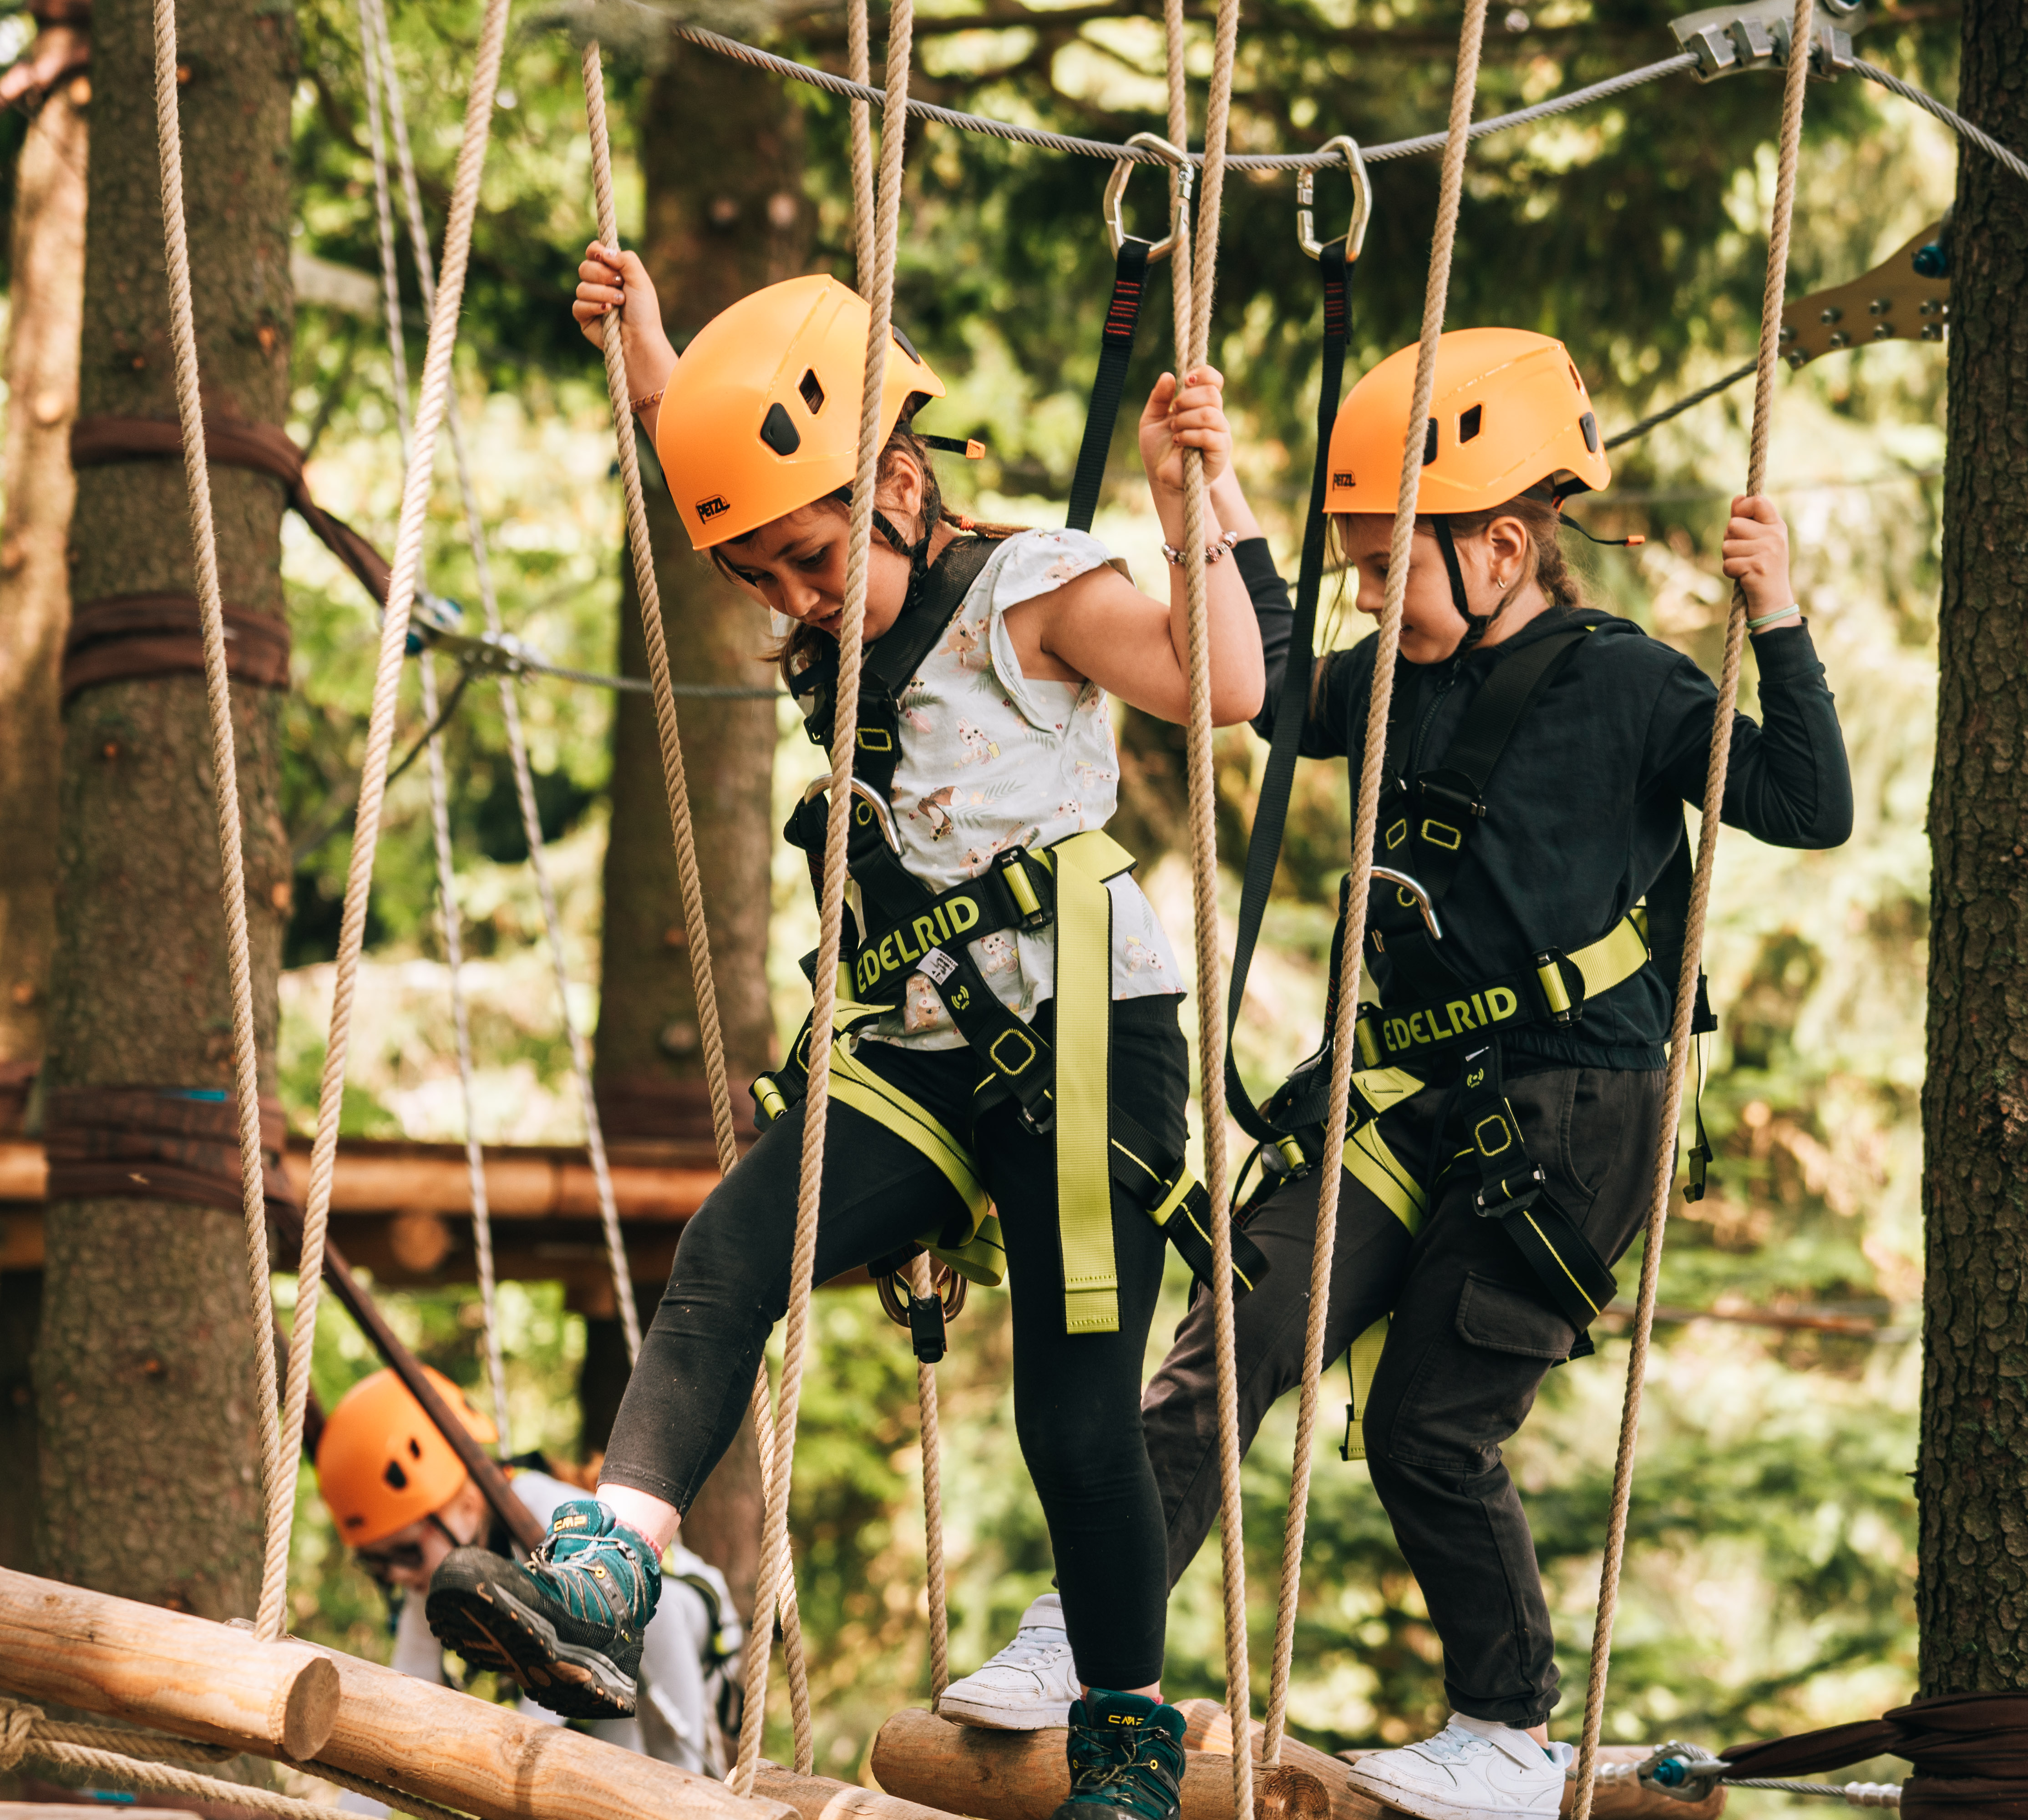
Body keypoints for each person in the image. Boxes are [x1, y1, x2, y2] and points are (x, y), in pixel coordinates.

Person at [935, 328, 1852, 1820]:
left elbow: (1808, 808)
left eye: (1387, 566)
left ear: (1502, 545)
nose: (1370, 592)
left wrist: (1782, 618)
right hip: (1409, 1095)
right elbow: (1272, 683)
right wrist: (1210, 505)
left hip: (1575, 1113)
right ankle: (1093, 1635)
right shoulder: (1391, 678)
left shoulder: (1634, 690)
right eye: (1357, 566)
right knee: (1230, 1333)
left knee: (1433, 1426)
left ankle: (1503, 1726)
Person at [421, 245, 1271, 1820]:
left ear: (898, 481)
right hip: (924, 1042)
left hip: (1088, 1035)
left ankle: (1132, 1742)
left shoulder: (1032, 591)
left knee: (1075, 1418)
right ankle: (610, 1568)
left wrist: (1189, 508)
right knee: (734, 1249)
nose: (799, 600)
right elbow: (726, 448)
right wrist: (652, 355)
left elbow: (1221, 684)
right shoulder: (827, 585)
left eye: (815, 561)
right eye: (763, 581)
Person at [313, 1368, 742, 1787]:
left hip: (673, 1626)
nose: (399, 1575)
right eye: (377, 1564)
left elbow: (647, 1616)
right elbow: (398, 1716)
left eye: (407, 1552)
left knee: (639, 1770)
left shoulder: (540, 1507)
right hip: (603, 1672)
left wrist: (679, 1776)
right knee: (599, 1775)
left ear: (464, 1505)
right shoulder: (429, 1585)